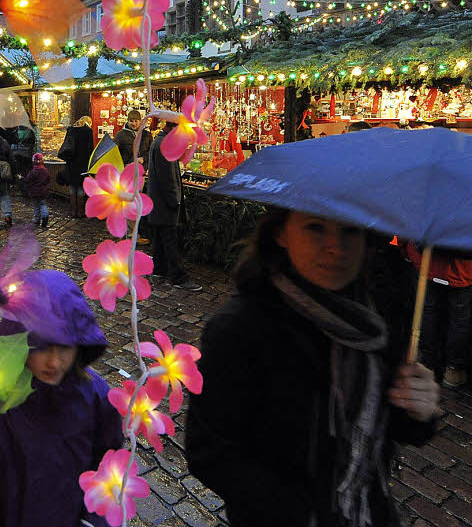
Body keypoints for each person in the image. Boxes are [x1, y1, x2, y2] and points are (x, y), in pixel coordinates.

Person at [186, 209, 441, 527]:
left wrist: (419, 411)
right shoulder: (240, 328)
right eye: (315, 228)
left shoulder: (376, 317)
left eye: (349, 230)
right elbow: (208, 451)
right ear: (281, 234)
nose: (335, 246)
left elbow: (393, 426)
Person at [0, 271, 123, 527]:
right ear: (18, 341)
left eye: (64, 347)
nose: (53, 361)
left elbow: (109, 470)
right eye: (40, 346)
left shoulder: (97, 399)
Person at [405, 243, 471, 388]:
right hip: (463, 269)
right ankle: (453, 370)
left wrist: (406, 250)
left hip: (426, 260)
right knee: (459, 319)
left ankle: (426, 365)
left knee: (426, 312)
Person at [147, 122, 201, 291]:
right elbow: (168, 179)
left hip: (158, 201)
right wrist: (175, 200)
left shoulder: (159, 142)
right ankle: (178, 277)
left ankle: (160, 268)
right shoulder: (165, 145)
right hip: (165, 202)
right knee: (171, 240)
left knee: (161, 237)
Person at [57, 116, 93, 218]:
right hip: (82, 163)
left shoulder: (70, 130)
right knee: (81, 188)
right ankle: (80, 211)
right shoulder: (88, 131)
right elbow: (90, 148)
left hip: (71, 162)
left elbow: (66, 145)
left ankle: (73, 211)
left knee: (72, 188)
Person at [25, 152, 51, 228]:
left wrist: (21, 178)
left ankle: (37, 219)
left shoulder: (33, 171)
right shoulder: (45, 170)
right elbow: (48, 179)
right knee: (43, 204)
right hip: (43, 191)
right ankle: (45, 216)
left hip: (34, 192)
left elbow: (28, 180)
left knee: (36, 205)